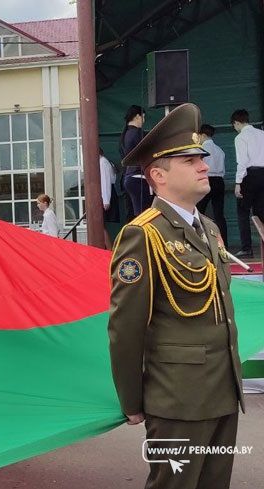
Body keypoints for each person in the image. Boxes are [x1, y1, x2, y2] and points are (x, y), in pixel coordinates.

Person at [109, 103, 243, 489]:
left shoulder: (210, 228)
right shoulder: (143, 234)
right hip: (178, 399)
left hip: (222, 391)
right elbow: (126, 328)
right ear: (158, 175)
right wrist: (132, 401)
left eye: (201, 157)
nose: (203, 165)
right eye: (190, 160)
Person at [230, 109, 264, 258]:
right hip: (263, 174)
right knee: (261, 212)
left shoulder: (240, 137)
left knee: (243, 211)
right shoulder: (262, 134)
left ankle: (246, 248)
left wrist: (238, 182)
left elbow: (242, 162)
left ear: (236, 123)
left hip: (249, 176)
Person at [195, 124, 228, 245]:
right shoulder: (220, 150)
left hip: (206, 179)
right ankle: (224, 244)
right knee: (219, 215)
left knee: (198, 212)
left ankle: (200, 242)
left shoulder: (201, 150)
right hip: (219, 181)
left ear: (202, 135)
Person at [119, 105, 153, 220]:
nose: (143, 120)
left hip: (128, 177)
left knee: (134, 214)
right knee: (145, 215)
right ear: (138, 116)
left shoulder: (125, 135)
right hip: (139, 177)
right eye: (143, 117)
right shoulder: (137, 133)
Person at [100, 147, 119, 246]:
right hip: (107, 194)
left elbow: (105, 181)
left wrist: (106, 200)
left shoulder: (103, 163)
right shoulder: (104, 162)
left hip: (106, 195)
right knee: (101, 225)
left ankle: (109, 249)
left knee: (101, 225)